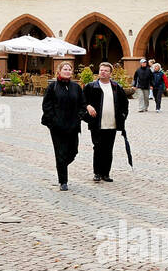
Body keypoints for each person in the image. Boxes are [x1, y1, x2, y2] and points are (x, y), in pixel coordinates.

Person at [41, 61, 86, 191]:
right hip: (57, 127)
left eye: (69, 69)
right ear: (59, 71)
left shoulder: (76, 87)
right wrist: (54, 121)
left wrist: (79, 117)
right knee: (60, 153)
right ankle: (63, 181)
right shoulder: (53, 87)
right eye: (65, 69)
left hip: (73, 126)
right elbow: (46, 106)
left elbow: (82, 104)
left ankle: (62, 165)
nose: (67, 71)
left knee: (73, 151)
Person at [84, 62, 128, 181]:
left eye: (106, 70)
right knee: (98, 148)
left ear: (110, 73)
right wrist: (88, 106)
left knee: (108, 149)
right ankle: (97, 173)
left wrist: (122, 117)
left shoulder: (116, 87)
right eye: (101, 70)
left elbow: (125, 104)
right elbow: (82, 102)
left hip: (112, 124)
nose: (103, 72)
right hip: (97, 124)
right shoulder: (91, 86)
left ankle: (106, 173)